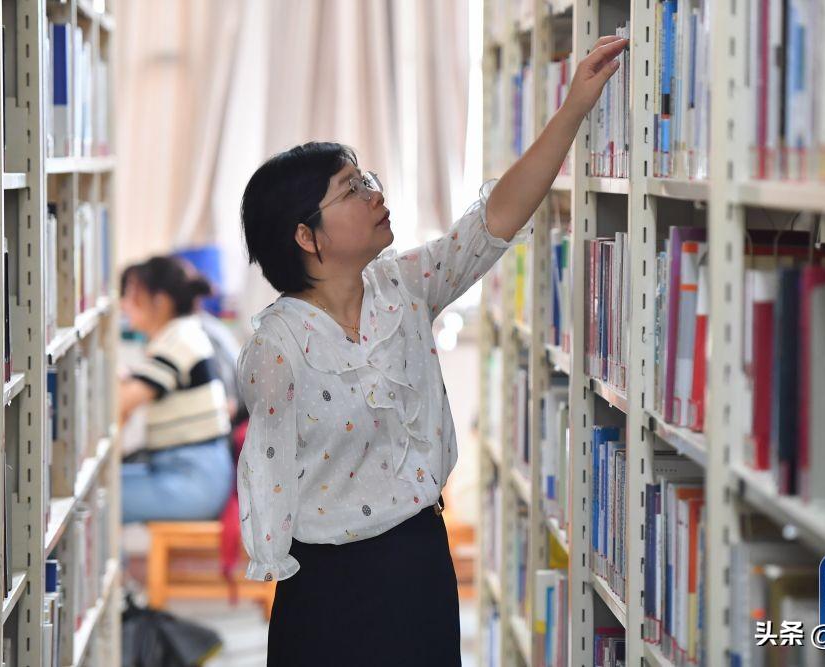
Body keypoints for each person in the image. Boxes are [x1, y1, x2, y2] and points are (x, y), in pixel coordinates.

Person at [237, 35, 628, 667]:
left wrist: (573, 109)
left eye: (366, 178)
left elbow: (494, 220)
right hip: (323, 586)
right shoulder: (275, 350)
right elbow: (268, 474)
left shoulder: (404, 289)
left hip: (416, 560)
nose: (372, 193)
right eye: (349, 189)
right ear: (305, 236)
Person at [118, 256, 234, 523]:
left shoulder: (178, 340)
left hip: (194, 481)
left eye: (133, 295)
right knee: (106, 487)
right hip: (189, 473)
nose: (124, 305)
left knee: (102, 498)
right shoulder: (181, 334)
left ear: (160, 301)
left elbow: (121, 402)